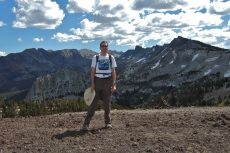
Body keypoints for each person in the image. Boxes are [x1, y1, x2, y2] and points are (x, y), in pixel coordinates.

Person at [82, 41, 117, 131]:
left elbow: (113, 71)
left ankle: (107, 122)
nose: (105, 47)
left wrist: (114, 84)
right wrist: (93, 84)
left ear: (107, 47)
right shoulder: (96, 57)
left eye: (106, 46)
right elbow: (92, 71)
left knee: (107, 103)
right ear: (100, 47)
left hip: (108, 80)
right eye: (103, 46)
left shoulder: (111, 57)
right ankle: (86, 123)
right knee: (93, 103)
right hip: (98, 80)